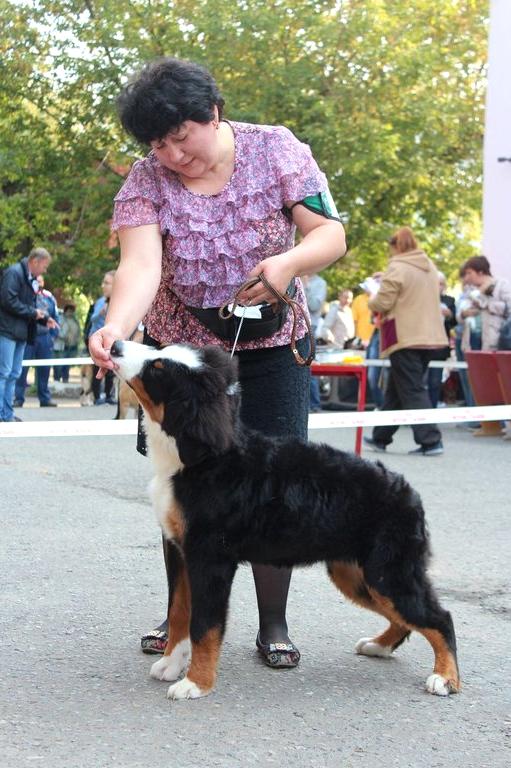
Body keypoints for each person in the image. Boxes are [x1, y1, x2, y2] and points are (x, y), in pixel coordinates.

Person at [88, 57, 346, 666]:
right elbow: (141, 267)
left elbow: (329, 234)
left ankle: (273, 624)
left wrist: (287, 265)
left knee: (271, 488)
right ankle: (182, 618)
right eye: (158, 143)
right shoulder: (146, 182)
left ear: (214, 112)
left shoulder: (278, 150)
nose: (173, 155)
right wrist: (117, 328)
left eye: (182, 136)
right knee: (181, 487)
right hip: (183, 358)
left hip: (273, 349)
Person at [363, 227, 446, 456]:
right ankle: (381, 437)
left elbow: (382, 303)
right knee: (398, 389)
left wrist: (372, 295)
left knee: (412, 389)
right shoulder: (429, 266)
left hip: (406, 336)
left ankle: (431, 441)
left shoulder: (397, 266)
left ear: (396, 247)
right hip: (431, 337)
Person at [0, 247, 57, 422]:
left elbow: (29, 306)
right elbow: (7, 300)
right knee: (4, 373)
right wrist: (33, 313)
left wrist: (43, 318)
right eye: (44, 266)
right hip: (7, 330)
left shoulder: (30, 278)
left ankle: (7, 414)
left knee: (14, 373)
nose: (44, 270)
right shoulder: (14, 273)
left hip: (21, 333)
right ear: (35, 261)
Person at [15, 275, 60, 408]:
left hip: (45, 338)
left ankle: (44, 398)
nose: (39, 283)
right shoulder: (26, 296)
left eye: (41, 281)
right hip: (28, 337)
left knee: (44, 369)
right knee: (22, 368)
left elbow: (56, 317)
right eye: (36, 281)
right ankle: (18, 398)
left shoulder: (49, 297)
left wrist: (52, 336)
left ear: (43, 282)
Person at [459, 255, 511, 350]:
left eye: (470, 273)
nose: (467, 277)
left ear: (480, 272)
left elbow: (508, 309)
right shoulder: (469, 289)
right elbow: (459, 316)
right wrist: (463, 314)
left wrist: (486, 304)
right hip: (470, 342)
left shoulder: (501, 285)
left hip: (494, 341)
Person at [427, 271, 456, 408]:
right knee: (420, 382)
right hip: (423, 344)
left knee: (435, 381)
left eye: (441, 284)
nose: (438, 286)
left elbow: (455, 321)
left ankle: (431, 411)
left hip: (439, 346)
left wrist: (449, 315)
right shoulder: (422, 299)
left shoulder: (449, 301)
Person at [87, 271, 117, 405]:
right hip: (98, 341)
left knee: (112, 370)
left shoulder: (120, 303)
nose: (103, 285)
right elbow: (92, 319)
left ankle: (109, 396)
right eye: (103, 282)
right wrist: (100, 313)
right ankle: (97, 397)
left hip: (113, 341)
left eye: (107, 283)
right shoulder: (100, 302)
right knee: (97, 369)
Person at [303, 272, 327, 413]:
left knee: (308, 366)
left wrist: (305, 286)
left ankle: (314, 404)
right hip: (291, 327)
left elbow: (314, 306)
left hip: (309, 326)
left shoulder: (320, 283)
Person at [53, 303, 81, 383]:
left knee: (67, 365)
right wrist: (64, 337)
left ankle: (66, 379)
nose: (70, 313)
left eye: (72, 311)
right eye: (69, 311)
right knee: (59, 365)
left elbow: (78, 332)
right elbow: (57, 331)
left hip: (72, 346)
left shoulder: (75, 320)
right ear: (65, 311)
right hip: (61, 345)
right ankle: (56, 380)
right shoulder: (60, 319)